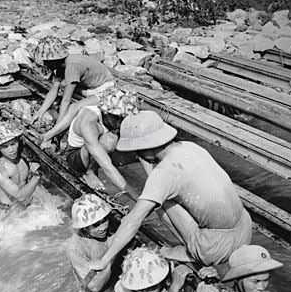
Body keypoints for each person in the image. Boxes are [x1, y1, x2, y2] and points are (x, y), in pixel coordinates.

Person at [90, 110, 252, 270]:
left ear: (145, 149)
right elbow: (159, 175)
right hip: (245, 230)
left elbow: (134, 220)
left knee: (159, 201)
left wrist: (104, 260)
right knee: (159, 192)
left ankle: (193, 252)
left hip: (216, 248)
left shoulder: (164, 173)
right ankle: (198, 245)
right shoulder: (190, 147)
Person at [46, 86, 138, 192]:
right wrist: (129, 192)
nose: (119, 122)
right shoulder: (89, 123)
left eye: (123, 118)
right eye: (117, 118)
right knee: (110, 140)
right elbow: (107, 166)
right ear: (106, 112)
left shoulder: (110, 113)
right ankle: (90, 172)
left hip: (94, 149)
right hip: (75, 157)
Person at [31, 37, 114, 140]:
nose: (45, 64)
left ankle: (48, 136)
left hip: (108, 90)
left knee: (74, 107)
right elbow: (54, 90)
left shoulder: (72, 67)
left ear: (54, 60)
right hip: (94, 87)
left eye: (47, 61)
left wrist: (57, 127)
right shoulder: (63, 64)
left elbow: (66, 100)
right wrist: (40, 113)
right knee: (63, 85)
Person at [66, 194, 114, 292]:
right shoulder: (75, 249)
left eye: (104, 220)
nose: (103, 227)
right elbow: (94, 286)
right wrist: (112, 256)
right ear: (84, 227)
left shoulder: (107, 227)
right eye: (96, 225)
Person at [0, 123, 41, 210]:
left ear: (18, 141)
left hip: (25, 206)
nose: (11, 150)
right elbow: (20, 196)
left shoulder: (24, 157)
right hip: (8, 210)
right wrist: (37, 176)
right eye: (5, 147)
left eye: (13, 144)